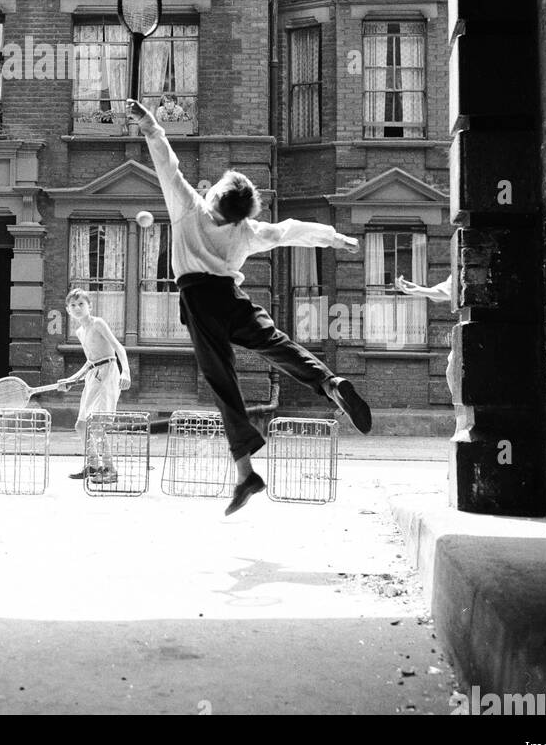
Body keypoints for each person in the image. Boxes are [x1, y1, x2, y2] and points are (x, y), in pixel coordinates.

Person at [127, 96, 373, 516]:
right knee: (276, 343)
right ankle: (330, 383)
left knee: (223, 384)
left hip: (199, 303)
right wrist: (333, 237)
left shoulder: (188, 208)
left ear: (214, 197)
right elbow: (288, 230)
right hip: (232, 298)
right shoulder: (246, 230)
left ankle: (245, 473)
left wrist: (150, 124)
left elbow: (167, 164)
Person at [59, 289, 131, 483]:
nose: (77, 308)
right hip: (93, 375)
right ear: (68, 310)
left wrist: (126, 371)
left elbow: (118, 348)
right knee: (81, 426)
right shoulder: (80, 332)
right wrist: (71, 380)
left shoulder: (97, 323)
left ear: (89, 306)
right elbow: (90, 361)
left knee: (97, 425)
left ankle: (110, 470)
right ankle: (93, 465)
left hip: (108, 372)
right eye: (73, 305)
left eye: (81, 304)